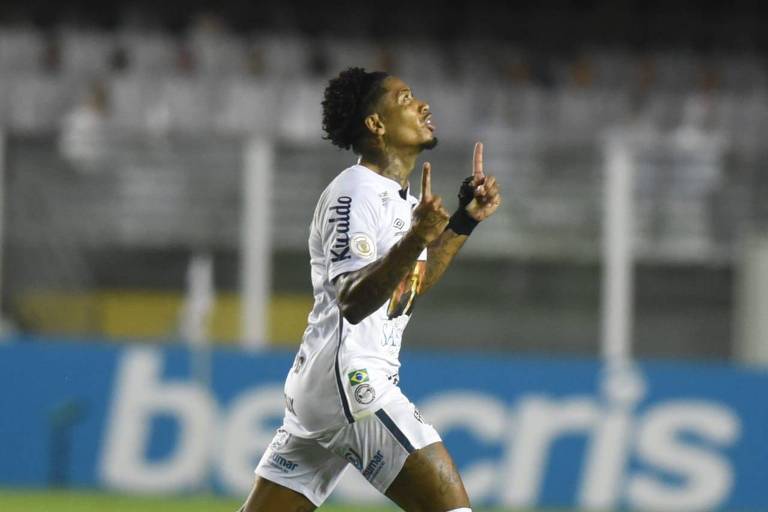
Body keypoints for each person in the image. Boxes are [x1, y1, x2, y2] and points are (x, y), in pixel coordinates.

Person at [240, 67, 502, 512]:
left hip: (324, 388)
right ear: (375, 125)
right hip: (352, 381)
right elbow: (353, 300)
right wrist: (415, 240)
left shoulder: (402, 201)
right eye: (404, 99)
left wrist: (462, 222)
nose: (422, 105)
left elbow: (407, 287)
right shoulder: (353, 193)